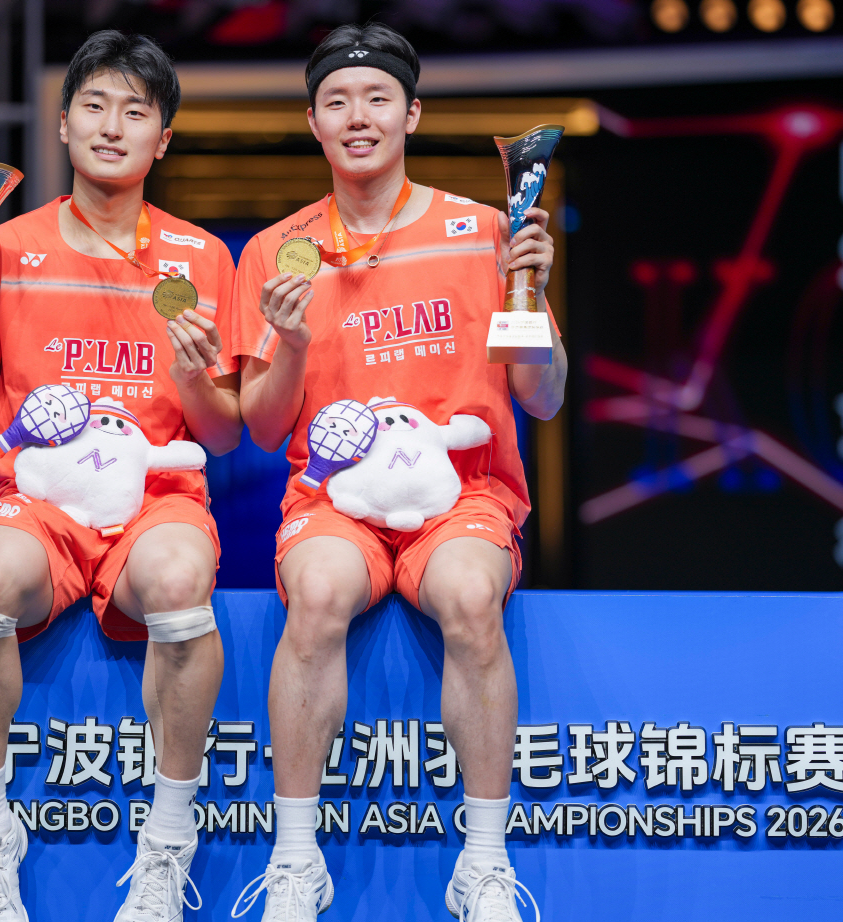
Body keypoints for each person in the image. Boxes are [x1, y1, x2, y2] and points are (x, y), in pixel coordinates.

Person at [229, 22, 565, 922]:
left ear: (410, 113)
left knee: (466, 593)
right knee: (320, 591)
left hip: (463, 499)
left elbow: (542, 398)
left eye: (377, 98)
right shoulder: (276, 252)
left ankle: (483, 864)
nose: (358, 116)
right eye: (337, 101)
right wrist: (291, 342)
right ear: (313, 122)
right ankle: (296, 861)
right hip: (335, 505)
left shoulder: (483, 230)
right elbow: (262, 428)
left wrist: (529, 293)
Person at [0, 31, 241, 922]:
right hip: (37, 505)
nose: (112, 125)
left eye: (136, 111)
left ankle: (169, 847)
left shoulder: (203, 260)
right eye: (94, 105)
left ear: (162, 140)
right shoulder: (3, 250)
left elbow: (224, 433)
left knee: (179, 578)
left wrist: (198, 375)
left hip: (156, 502)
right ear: (62, 124)